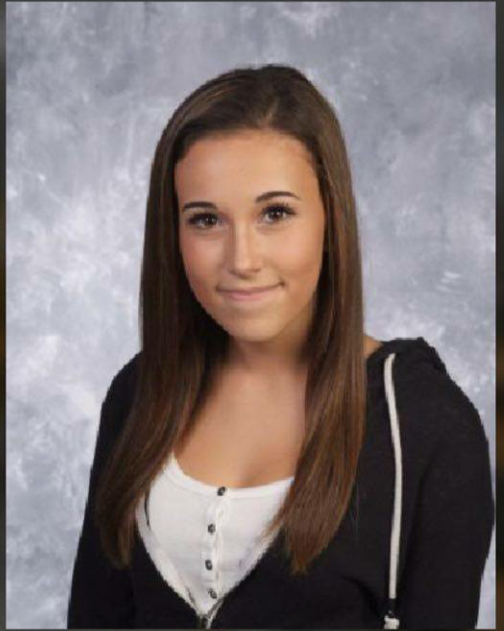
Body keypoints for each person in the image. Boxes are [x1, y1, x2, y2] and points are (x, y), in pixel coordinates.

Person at [66, 64, 494, 629]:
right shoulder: (139, 393)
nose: (242, 259)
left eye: (275, 214)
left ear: (330, 218)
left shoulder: (425, 426)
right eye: (206, 220)